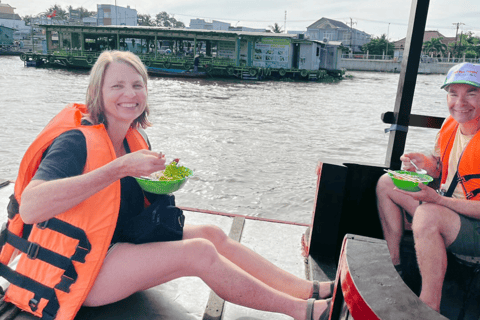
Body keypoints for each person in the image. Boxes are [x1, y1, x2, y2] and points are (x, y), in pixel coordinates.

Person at [0, 50, 333, 320]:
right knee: (199, 253)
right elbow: (30, 207)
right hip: (81, 271)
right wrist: (118, 169)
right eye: (117, 86)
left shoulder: (134, 137)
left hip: (115, 245)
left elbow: (119, 202)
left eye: (137, 85)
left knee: (212, 235)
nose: (130, 94)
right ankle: (303, 312)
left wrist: (156, 178)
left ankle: (307, 290)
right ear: (97, 94)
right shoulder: (74, 142)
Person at [376, 62, 480, 312]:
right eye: (453, 93)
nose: (460, 102)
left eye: (472, 94)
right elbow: (441, 168)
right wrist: (427, 165)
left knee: (427, 214)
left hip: (473, 226)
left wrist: (438, 201)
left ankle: (429, 305)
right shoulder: (450, 125)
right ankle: (395, 264)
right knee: (387, 183)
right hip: (450, 211)